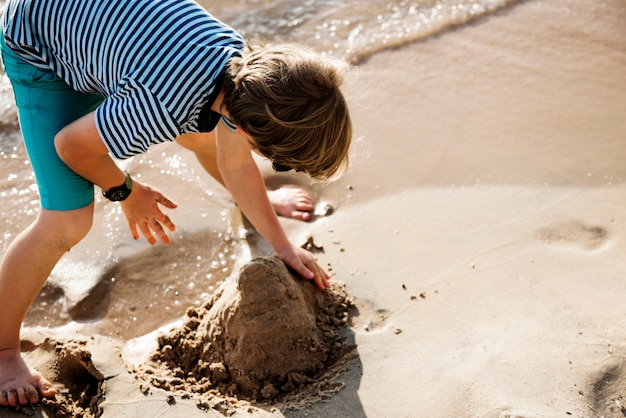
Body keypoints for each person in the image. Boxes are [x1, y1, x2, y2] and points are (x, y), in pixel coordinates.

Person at [0, 0, 352, 408]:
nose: (273, 164)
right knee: (68, 222)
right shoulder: (161, 105)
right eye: (277, 160)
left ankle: (259, 202)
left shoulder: (243, 73)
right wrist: (126, 192)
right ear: (248, 126)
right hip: (38, 40)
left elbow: (234, 161)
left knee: (203, 133)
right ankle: (4, 352)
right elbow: (72, 148)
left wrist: (282, 245)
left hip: (100, 25)